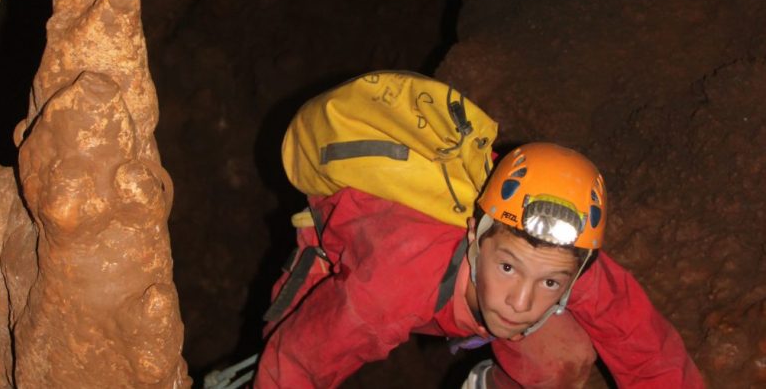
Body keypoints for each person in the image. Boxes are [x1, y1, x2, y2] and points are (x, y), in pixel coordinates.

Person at [253, 142, 704, 388]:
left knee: (562, 360)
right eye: (509, 268)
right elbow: (295, 366)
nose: (521, 303)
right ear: (476, 237)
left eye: (549, 281)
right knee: (291, 352)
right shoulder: (391, 284)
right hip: (343, 262)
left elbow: (651, 356)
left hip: (449, 293)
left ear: (579, 271)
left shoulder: (566, 259)